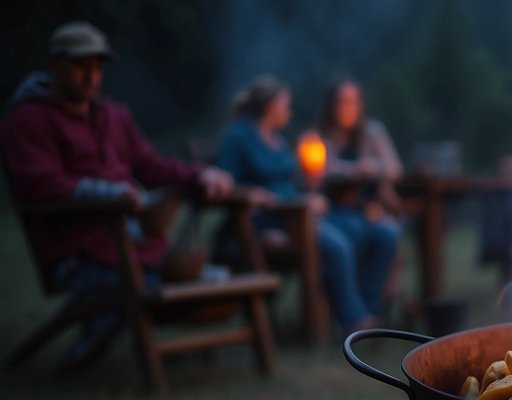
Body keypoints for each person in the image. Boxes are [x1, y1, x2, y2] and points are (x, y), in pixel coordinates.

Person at [0, 21, 234, 366]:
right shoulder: (28, 119)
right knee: (148, 288)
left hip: (135, 247)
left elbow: (152, 168)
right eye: (80, 66)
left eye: (97, 66)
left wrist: (200, 175)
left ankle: (116, 325)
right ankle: (97, 336)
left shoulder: (113, 116)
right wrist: (111, 194)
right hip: (78, 252)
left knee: (217, 288)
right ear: (54, 65)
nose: (91, 76)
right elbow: (42, 184)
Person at [215, 76, 399, 333]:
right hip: (265, 221)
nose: (289, 110)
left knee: (373, 231)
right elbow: (224, 181)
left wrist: (309, 194)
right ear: (270, 106)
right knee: (338, 244)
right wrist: (255, 194)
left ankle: (365, 309)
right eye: (285, 104)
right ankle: (354, 320)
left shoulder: (276, 140)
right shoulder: (240, 136)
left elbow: (292, 184)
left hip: (296, 213)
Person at [308, 78, 405, 220]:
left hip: (369, 206)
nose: (348, 108)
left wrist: (372, 166)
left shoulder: (372, 132)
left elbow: (395, 168)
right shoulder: (317, 138)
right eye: (342, 102)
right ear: (331, 105)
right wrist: (353, 170)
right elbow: (316, 173)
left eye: (353, 102)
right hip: (331, 208)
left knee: (386, 231)